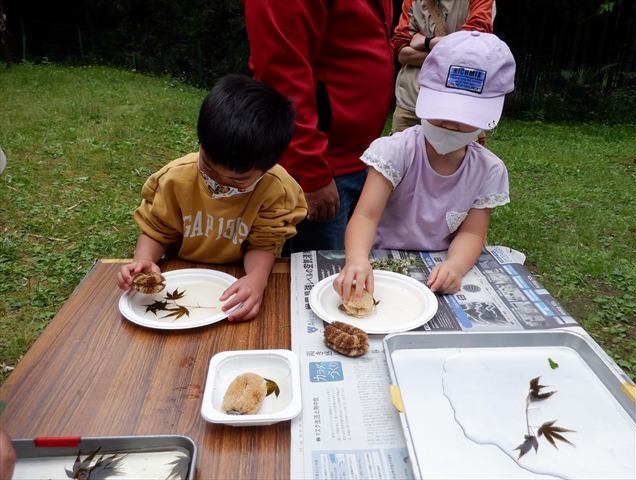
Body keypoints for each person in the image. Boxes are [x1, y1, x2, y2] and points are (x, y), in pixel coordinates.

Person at [334, 31, 516, 302]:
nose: (451, 124)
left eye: (466, 116)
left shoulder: (488, 170)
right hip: (380, 263)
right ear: (422, 92)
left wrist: (455, 266)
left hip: (438, 269)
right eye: (443, 109)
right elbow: (365, 216)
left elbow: (472, 232)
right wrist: (357, 259)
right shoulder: (395, 151)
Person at [117, 74, 307, 321]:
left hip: (237, 275)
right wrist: (143, 261)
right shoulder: (175, 180)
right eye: (209, 168)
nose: (220, 183)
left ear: (268, 166)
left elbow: (263, 244)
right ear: (201, 143)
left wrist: (256, 279)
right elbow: (156, 231)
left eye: (239, 180)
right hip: (180, 274)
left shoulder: (277, 191)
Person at [242, 0, 396, 252]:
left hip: (361, 158)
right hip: (324, 164)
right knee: (318, 277)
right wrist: (311, 172)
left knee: (352, 269)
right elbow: (281, 76)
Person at [392, 0, 496, 135]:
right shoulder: (411, 1)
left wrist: (426, 41)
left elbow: (473, 42)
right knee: (403, 153)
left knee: (457, 154)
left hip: (461, 103)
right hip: (411, 101)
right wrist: (454, 53)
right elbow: (402, 53)